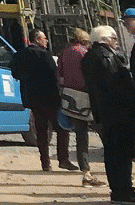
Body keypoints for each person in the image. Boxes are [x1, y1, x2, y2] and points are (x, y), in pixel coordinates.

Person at [83, 23, 135, 203]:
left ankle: (119, 191)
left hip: (104, 115)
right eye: (114, 38)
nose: (116, 42)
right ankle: (124, 192)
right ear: (104, 40)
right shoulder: (106, 57)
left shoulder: (89, 57)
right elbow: (119, 87)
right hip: (119, 115)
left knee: (112, 155)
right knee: (121, 156)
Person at [11, 29, 65, 172]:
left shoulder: (19, 55)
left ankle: (45, 163)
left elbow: (15, 73)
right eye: (44, 38)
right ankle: (63, 158)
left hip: (32, 98)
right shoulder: (44, 55)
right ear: (37, 39)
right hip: (49, 97)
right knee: (60, 128)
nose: (46, 41)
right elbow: (54, 75)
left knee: (41, 132)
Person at [57, 27, 95, 176]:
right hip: (85, 94)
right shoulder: (84, 53)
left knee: (80, 133)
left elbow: (59, 73)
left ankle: (83, 165)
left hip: (69, 94)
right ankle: (86, 167)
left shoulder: (64, 53)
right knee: (87, 133)